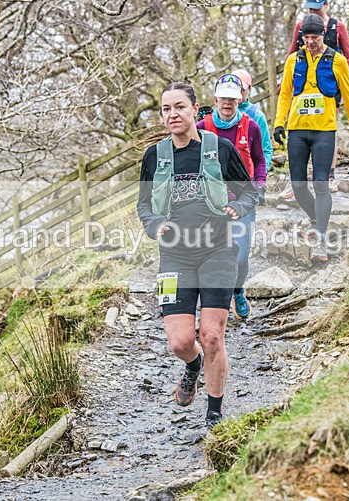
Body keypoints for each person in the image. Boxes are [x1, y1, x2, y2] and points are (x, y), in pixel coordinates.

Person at [137, 82, 257, 429]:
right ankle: (193, 365)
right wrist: (155, 224)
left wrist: (237, 208)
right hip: (175, 257)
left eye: (179, 107)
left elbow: (249, 193)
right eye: (166, 109)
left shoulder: (219, 149)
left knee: (212, 337)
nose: (172, 114)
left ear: (194, 109)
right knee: (180, 342)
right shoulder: (155, 156)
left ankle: (214, 414)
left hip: (218, 251)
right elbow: (143, 206)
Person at [273, 14, 349, 262]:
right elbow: (285, 95)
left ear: (323, 35)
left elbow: (348, 94)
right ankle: (316, 219)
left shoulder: (337, 60)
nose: (310, 42)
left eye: (315, 37)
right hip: (297, 130)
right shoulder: (293, 60)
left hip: (324, 130)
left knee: (321, 183)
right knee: (298, 186)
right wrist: (279, 123)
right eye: (306, 37)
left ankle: (320, 238)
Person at [196, 74, 266, 321]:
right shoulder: (201, 127)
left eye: (233, 98)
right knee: (206, 253)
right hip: (208, 202)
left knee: (241, 255)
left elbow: (259, 159)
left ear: (240, 100)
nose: (228, 103)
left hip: (241, 200)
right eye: (224, 98)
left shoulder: (251, 126)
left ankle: (237, 290)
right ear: (215, 99)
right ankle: (209, 303)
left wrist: (260, 185)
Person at [286, 0, 349, 193]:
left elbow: (348, 53)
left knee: (327, 127)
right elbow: (292, 52)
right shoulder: (301, 25)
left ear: (326, 5)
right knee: (300, 131)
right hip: (304, 83)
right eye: (310, 8)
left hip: (329, 83)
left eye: (317, 8)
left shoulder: (337, 26)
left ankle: (329, 174)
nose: (313, 11)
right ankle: (296, 181)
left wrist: (342, 76)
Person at [231, 68, 273, 172]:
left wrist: (261, 172)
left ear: (249, 89)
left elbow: (266, 149)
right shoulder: (220, 113)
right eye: (235, 89)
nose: (239, 93)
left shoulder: (257, 116)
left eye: (242, 89)